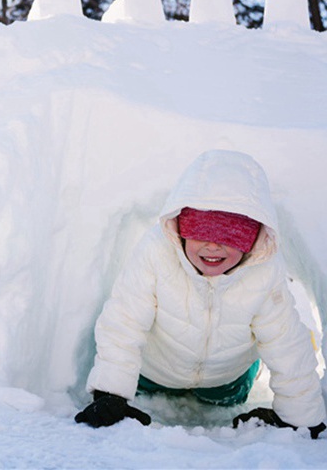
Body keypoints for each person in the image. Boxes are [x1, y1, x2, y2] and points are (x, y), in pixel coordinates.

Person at [75, 149, 326, 439]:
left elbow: (286, 344)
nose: (213, 248)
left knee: (278, 335)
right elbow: (124, 320)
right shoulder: (157, 252)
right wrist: (112, 395)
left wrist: (301, 417)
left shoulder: (264, 271)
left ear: (251, 240)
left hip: (227, 385)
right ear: (181, 229)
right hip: (152, 374)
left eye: (230, 237)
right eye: (201, 232)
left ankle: (249, 374)